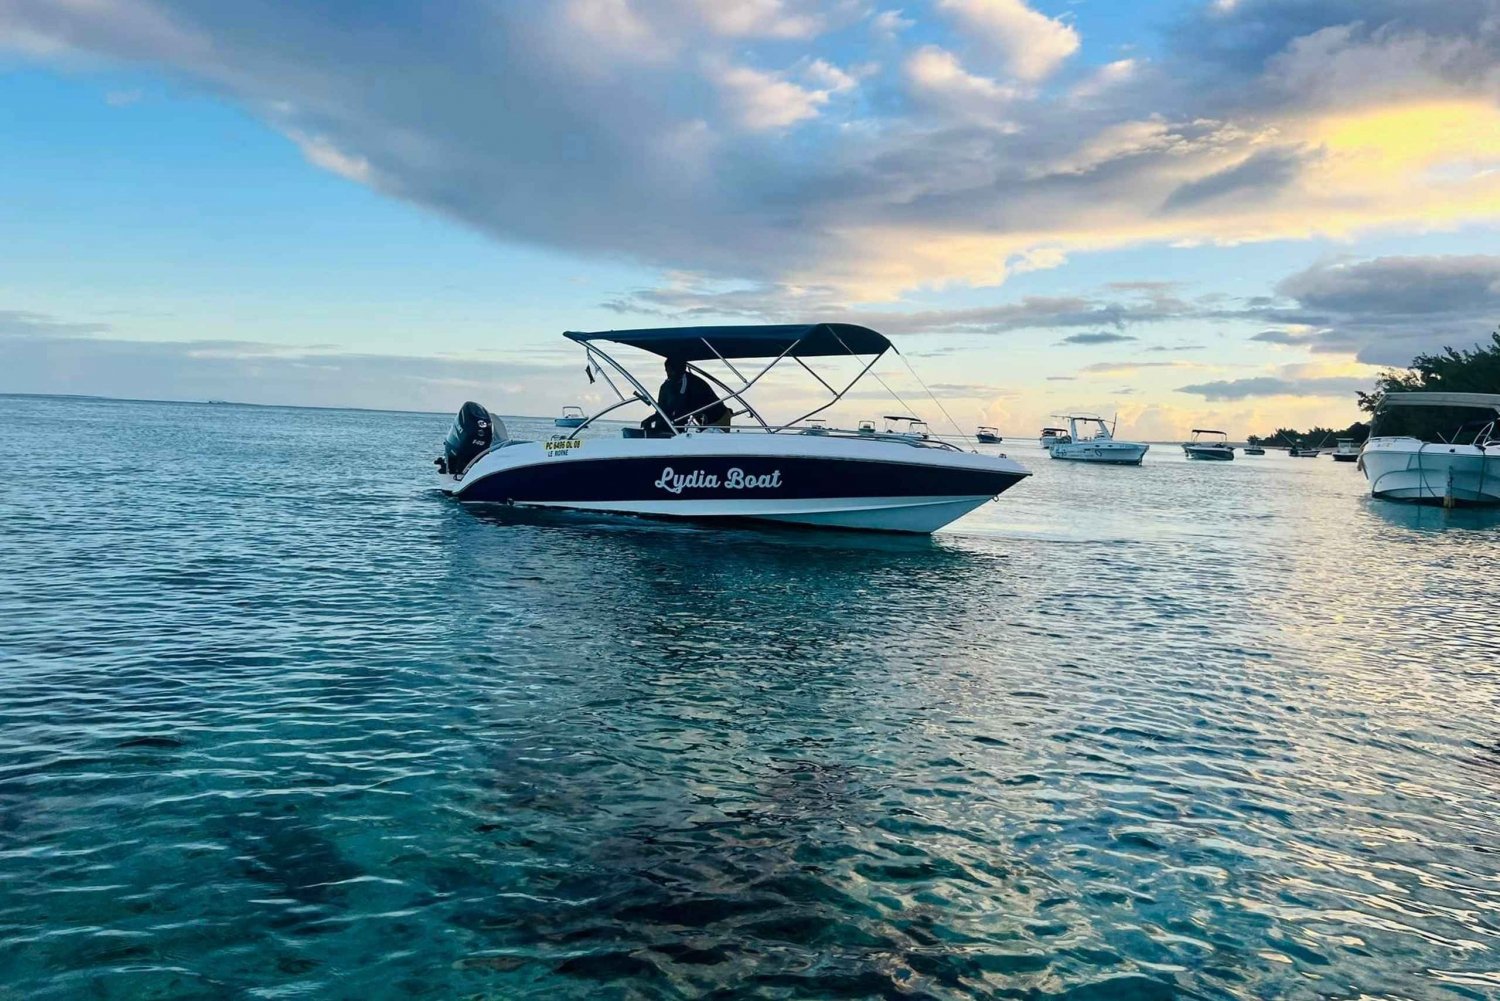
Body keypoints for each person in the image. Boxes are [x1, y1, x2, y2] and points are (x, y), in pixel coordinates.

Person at [643, 356, 730, 434]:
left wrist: (665, 429)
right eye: (667, 371)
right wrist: (653, 419)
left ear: (682, 369)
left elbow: (682, 411)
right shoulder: (668, 385)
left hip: (718, 419)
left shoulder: (694, 385)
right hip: (703, 421)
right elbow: (664, 408)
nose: (669, 374)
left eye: (672, 371)